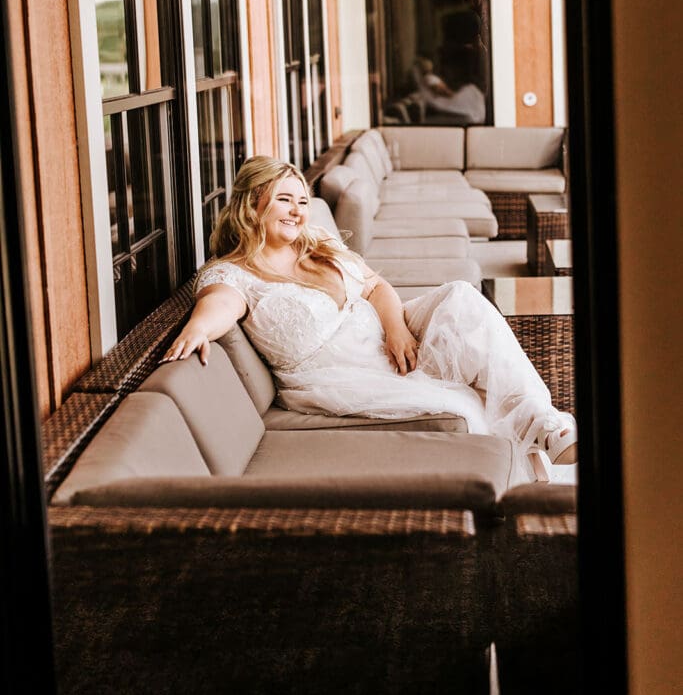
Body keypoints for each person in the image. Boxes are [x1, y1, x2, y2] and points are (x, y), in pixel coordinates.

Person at [162, 156, 577, 485]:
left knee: (462, 298)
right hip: (341, 374)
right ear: (252, 204)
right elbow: (219, 303)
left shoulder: (316, 242)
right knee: (463, 403)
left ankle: (546, 425)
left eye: (302, 202)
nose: (297, 212)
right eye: (284, 200)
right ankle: (526, 461)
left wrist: (397, 329)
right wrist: (198, 329)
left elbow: (375, 286)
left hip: (387, 335)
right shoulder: (236, 273)